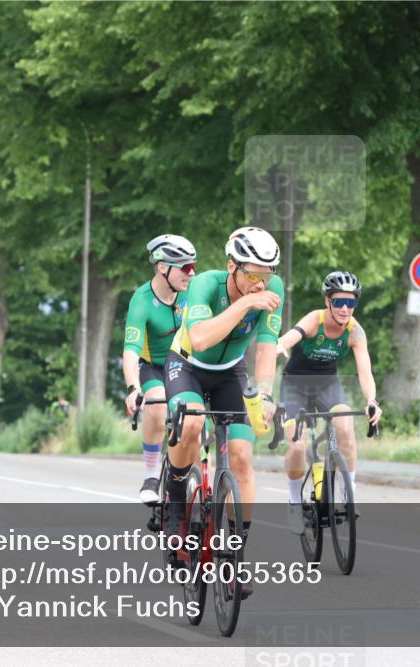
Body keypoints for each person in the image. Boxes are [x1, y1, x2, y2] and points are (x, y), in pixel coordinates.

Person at [163, 226, 283, 596]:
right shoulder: (206, 286)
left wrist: (263, 393)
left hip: (231, 372)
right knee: (194, 422)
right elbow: (199, 339)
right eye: (252, 274)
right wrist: (244, 303)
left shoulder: (270, 291)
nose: (261, 283)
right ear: (231, 265)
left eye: (267, 275)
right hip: (186, 365)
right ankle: (176, 489)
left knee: (243, 458)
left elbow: (265, 348)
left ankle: (235, 556)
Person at [276, 270, 381, 534]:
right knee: (298, 446)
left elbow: (365, 371)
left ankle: (348, 494)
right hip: (295, 385)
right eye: (339, 302)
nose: (345, 308)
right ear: (328, 302)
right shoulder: (316, 320)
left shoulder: (356, 331)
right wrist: (279, 345)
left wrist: (372, 400)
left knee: (345, 427)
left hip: (327, 385)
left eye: (351, 303)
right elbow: (293, 335)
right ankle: (294, 502)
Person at [123, 234, 196, 505]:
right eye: (185, 267)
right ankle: (152, 474)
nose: (192, 273)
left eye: (193, 266)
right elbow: (130, 349)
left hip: (189, 365)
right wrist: (133, 388)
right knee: (156, 406)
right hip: (154, 368)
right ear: (163, 267)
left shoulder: (193, 291)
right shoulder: (141, 300)